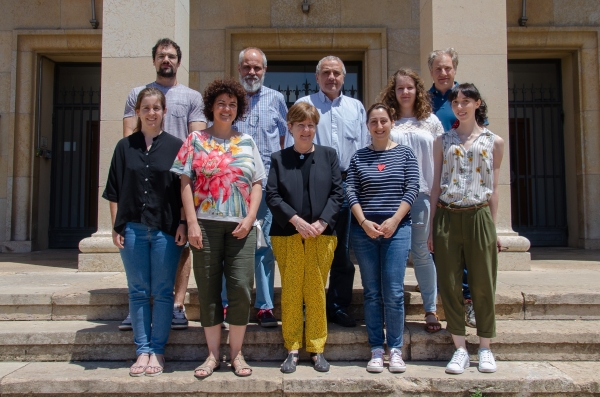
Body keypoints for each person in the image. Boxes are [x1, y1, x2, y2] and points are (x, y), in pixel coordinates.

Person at [171, 79, 265, 378]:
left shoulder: (247, 142)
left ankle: (236, 355)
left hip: (241, 226)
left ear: (238, 109)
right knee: (209, 291)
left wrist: (250, 218)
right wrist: (192, 222)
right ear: (212, 106)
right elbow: (185, 182)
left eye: (232, 104)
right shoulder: (196, 139)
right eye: (221, 103)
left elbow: (257, 183)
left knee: (239, 288)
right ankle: (212, 355)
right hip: (206, 226)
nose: (227, 109)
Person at [120, 38, 207, 331]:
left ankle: (177, 306)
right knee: (139, 246)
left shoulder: (192, 97)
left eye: (171, 56)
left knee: (180, 245)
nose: (166, 60)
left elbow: (196, 141)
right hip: (143, 181)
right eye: (161, 56)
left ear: (178, 62)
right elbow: (128, 137)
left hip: (176, 182)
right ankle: (140, 308)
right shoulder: (137, 94)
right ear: (154, 60)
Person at [103, 88, 187, 377]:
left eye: (156, 108)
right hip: (133, 230)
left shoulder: (178, 146)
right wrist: (117, 227)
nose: (151, 113)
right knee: (138, 292)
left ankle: (158, 352)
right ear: (137, 112)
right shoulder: (124, 147)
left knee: (163, 293)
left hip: (166, 230)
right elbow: (113, 190)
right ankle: (142, 351)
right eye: (146, 108)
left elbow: (183, 190)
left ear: (164, 112)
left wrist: (183, 224)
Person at [285, 55, 370, 327]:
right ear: (317, 77)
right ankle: (308, 305)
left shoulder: (356, 107)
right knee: (309, 247)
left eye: (336, 73)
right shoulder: (304, 105)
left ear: (343, 77)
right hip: (312, 183)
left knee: (341, 252)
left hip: (346, 184)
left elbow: (365, 149)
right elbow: (291, 146)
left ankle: (337, 306)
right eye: (326, 73)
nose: (331, 77)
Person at [427, 83, 505, 374]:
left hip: (479, 215)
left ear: (477, 103)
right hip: (448, 214)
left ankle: (485, 346)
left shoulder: (494, 141)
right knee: (449, 283)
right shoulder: (442, 141)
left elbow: (495, 188)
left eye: (466, 101)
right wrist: (432, 227)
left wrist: (494, 229)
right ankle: (459, 347)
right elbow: (435, 186)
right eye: (456, 102)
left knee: (483, 282)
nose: (460, 106)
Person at [266, 102, 343, 374]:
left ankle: (317, 348)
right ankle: (292, 348)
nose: (306, 130)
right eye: (301, 125)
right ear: (290, 127)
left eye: (311, 125)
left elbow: (338, 192)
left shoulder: (328, 155)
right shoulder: (278, 158)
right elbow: (272, 195)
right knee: (291, 292)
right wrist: (296, 221)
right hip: (288, 235)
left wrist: (322, 222)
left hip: (322, 236)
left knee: (315, 292)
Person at [347, 103, 419, 373]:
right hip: (365, 232)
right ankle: (377, 348)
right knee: (372, 292)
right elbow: (350, 190)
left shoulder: (405, 154)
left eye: (383, 121)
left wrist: (394, 220)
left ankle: (396, 349)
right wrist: (364, 221)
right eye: (373, 122)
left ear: (391, 123)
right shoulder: (358, 157)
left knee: (394, 292)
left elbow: (412, 188)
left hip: (397, 230)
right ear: (368, 126)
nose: (379, 126)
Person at [379, 68, 444, 333]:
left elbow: (440, 161)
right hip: (390, 197)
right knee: (392, 255)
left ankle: (430, 309)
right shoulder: (387, 121)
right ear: (392, 92)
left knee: (422, 252)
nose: (405, 92)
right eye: (399, 88)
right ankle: (391, 310)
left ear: (417, 90)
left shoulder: (431, 121)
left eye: (409, 87)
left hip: (421, 196)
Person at [234, 47, 288, 327]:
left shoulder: (277, 99)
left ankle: (264, 306)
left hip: (266, 187)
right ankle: (229, 304)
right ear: (239, 68)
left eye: (257, 68)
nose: (252, 72)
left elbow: (283, 141)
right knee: (230, 244)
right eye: (247, 67)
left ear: (265, 71)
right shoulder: (230, 100)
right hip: (232, 189)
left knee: (263, 246)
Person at [427, 47, 476, 328]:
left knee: (465, 248)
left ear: (454, 69)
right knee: (437, 244)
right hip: (434, 179)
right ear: (431, 71)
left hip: (464, 179)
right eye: (437, 68)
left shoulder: (465, 97)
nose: (443, 73)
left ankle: (467, 302)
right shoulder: (424, 100)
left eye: (447, 68)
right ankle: (440, 298)